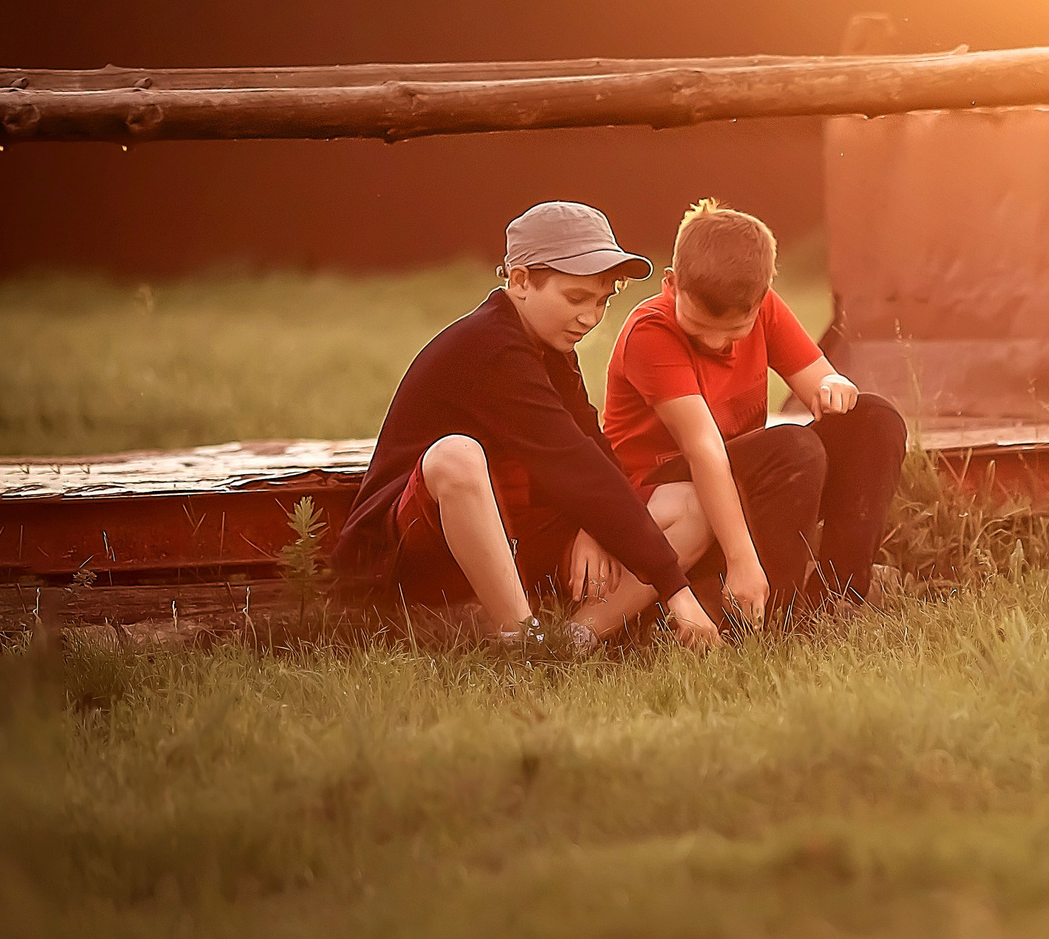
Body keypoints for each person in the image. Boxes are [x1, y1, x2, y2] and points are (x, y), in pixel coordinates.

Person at [331, 201, 724, 648]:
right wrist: (676, 590)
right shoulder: (490, 347)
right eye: (576, 298)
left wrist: (596, 527)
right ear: (519, 280)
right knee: (456, 456)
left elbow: (591, 448)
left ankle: (577, 636)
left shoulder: (552, 350)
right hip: (412, 551)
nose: (590, 318)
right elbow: (569, 462)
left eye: (601, 301)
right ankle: (521, 640)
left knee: (691, 506)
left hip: (512, 531)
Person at [602, 199, 907, 625]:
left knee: (874, 419)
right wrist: (742, 560)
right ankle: (769, 619)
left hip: (738, 487)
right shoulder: (651, 332)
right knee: (792, 447)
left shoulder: (766, 309)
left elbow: (819, 380)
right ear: (672, 283)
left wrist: (834, 385)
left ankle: (838, 599)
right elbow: (703, 449)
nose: (713, 342)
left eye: (733, 330)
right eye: (699, 324)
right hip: (668, 504)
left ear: (761, 300)